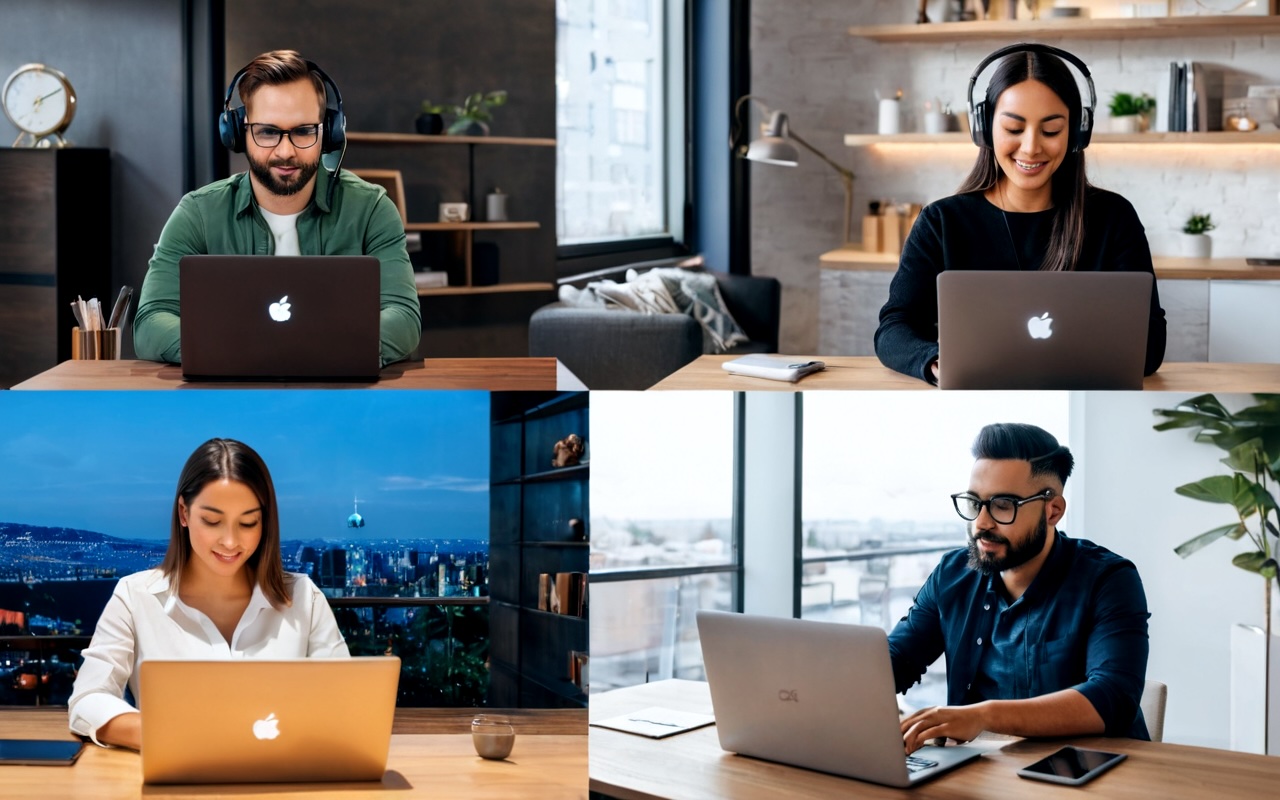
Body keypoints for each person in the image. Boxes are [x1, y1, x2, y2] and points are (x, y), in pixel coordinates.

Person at [874, 44, 1166, 384]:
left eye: (1052, 130)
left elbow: (1151, 346)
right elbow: (893, 329)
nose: (1031, 147)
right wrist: (934, 361)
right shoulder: (941, 223)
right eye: (1014, 129)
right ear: (984, 127)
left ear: (1076, 133)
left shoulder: (1114, 218)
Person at [133, 50, 420, 365]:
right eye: (268, 132)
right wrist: (249, 352)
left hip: (344, 401)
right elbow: (151, 323)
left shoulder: (371, 209)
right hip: (231, 403)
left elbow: (403, 318)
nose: (286, 151)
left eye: (303, 131)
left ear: (329, 132)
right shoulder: (197, 213)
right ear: (239, 132)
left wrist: (306, 352)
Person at [67, 438, 349, 750]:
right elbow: (87, 701)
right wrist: (167, 734)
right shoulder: (135, 597)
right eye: (213, 521)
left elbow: (345, 703)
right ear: (184, 513)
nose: (230, 541)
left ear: (265, 522)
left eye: (248, 522)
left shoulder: (304, 599)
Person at [890, 423, 1149, 755]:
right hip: (981, 769)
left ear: (1052, 510)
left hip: (1091, 773)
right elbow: (898, 658)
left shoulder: (1109, 579)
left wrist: (984, 716)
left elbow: (1112, 697)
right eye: (974, 503)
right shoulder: (953, 574)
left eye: (1002, 505)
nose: (981, 523)